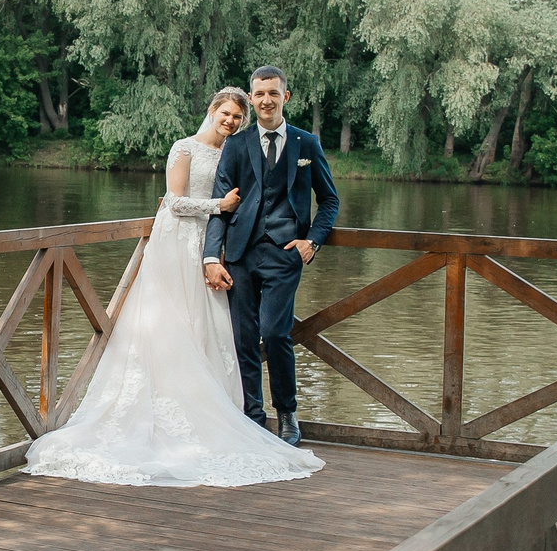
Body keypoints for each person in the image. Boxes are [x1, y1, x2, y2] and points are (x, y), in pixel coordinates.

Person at [25, 88, 322, 488]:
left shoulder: (238, 151)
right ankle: (168, 408)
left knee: (215, 330)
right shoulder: (184, 148)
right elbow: (173, 201)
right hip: (180, 243)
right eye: (226, 113)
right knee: (170, 324)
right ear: (212, 111)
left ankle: (224, 412)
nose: (231, 121)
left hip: (219, 248)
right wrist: (219, 206)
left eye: (237, 116)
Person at [202, 66, 342, 445]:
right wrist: (211, 257)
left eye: (273, 93)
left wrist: (312, 241)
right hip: (241, 253)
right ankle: (252, 416)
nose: (266, 100)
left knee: (275, 333)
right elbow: (220, 205)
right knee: (244, 338)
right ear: (252, 97)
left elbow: (329, 200)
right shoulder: (237, 143)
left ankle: (287, 415)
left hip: (285, 253)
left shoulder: (306, 144)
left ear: (286, 96)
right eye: (259, 94)